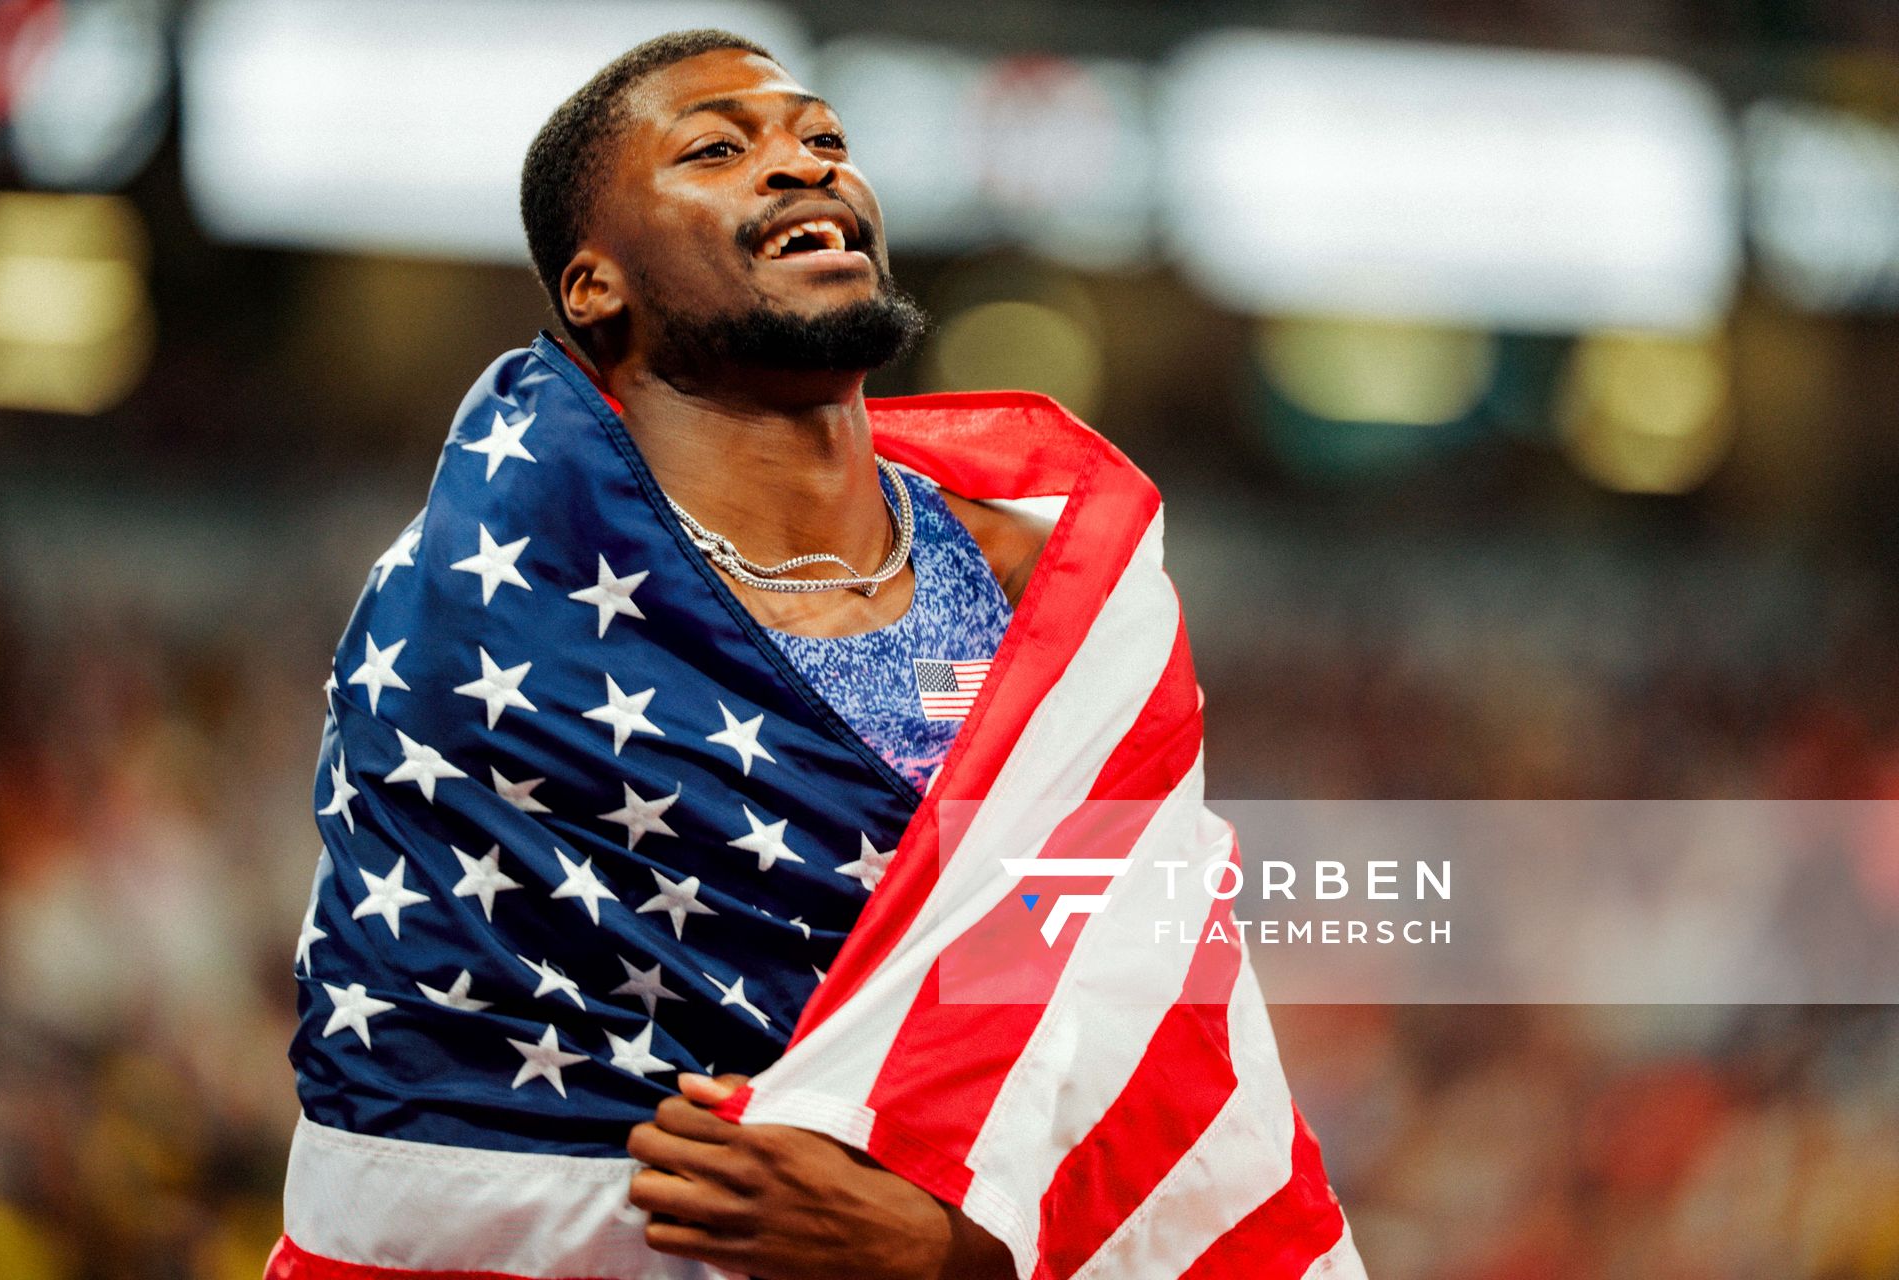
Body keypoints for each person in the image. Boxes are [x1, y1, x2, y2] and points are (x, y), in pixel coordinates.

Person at [269, 28, 1361, 1280]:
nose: (802, 168)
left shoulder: (1055, 586)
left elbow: (1125, 1004)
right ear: (593, 288)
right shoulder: (486, 607)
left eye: (824, 140)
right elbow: (414, 1079)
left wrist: (947, 1247)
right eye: (719, 149)